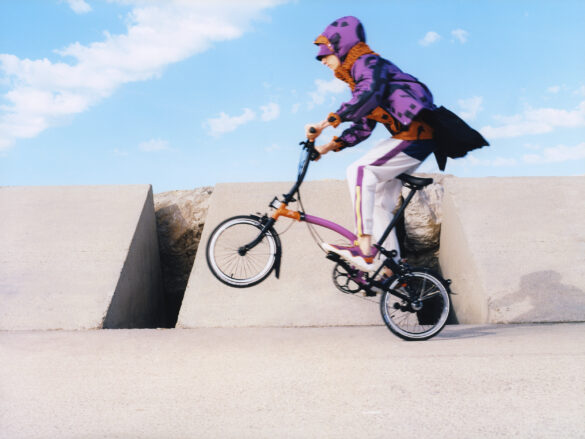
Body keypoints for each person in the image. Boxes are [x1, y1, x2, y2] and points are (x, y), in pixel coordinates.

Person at [306, 16, 437, 273]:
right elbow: (364, 126)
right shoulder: (358, 74)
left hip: (416, 135)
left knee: (359, 171)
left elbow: (369, 94)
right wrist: (327, 147)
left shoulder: (368, 63)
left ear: (340, 46)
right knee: (378, 202)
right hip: (409, 137)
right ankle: (391, 269)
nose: (322, 60)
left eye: (324, 53)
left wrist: (327, 122)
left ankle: (365, 249)